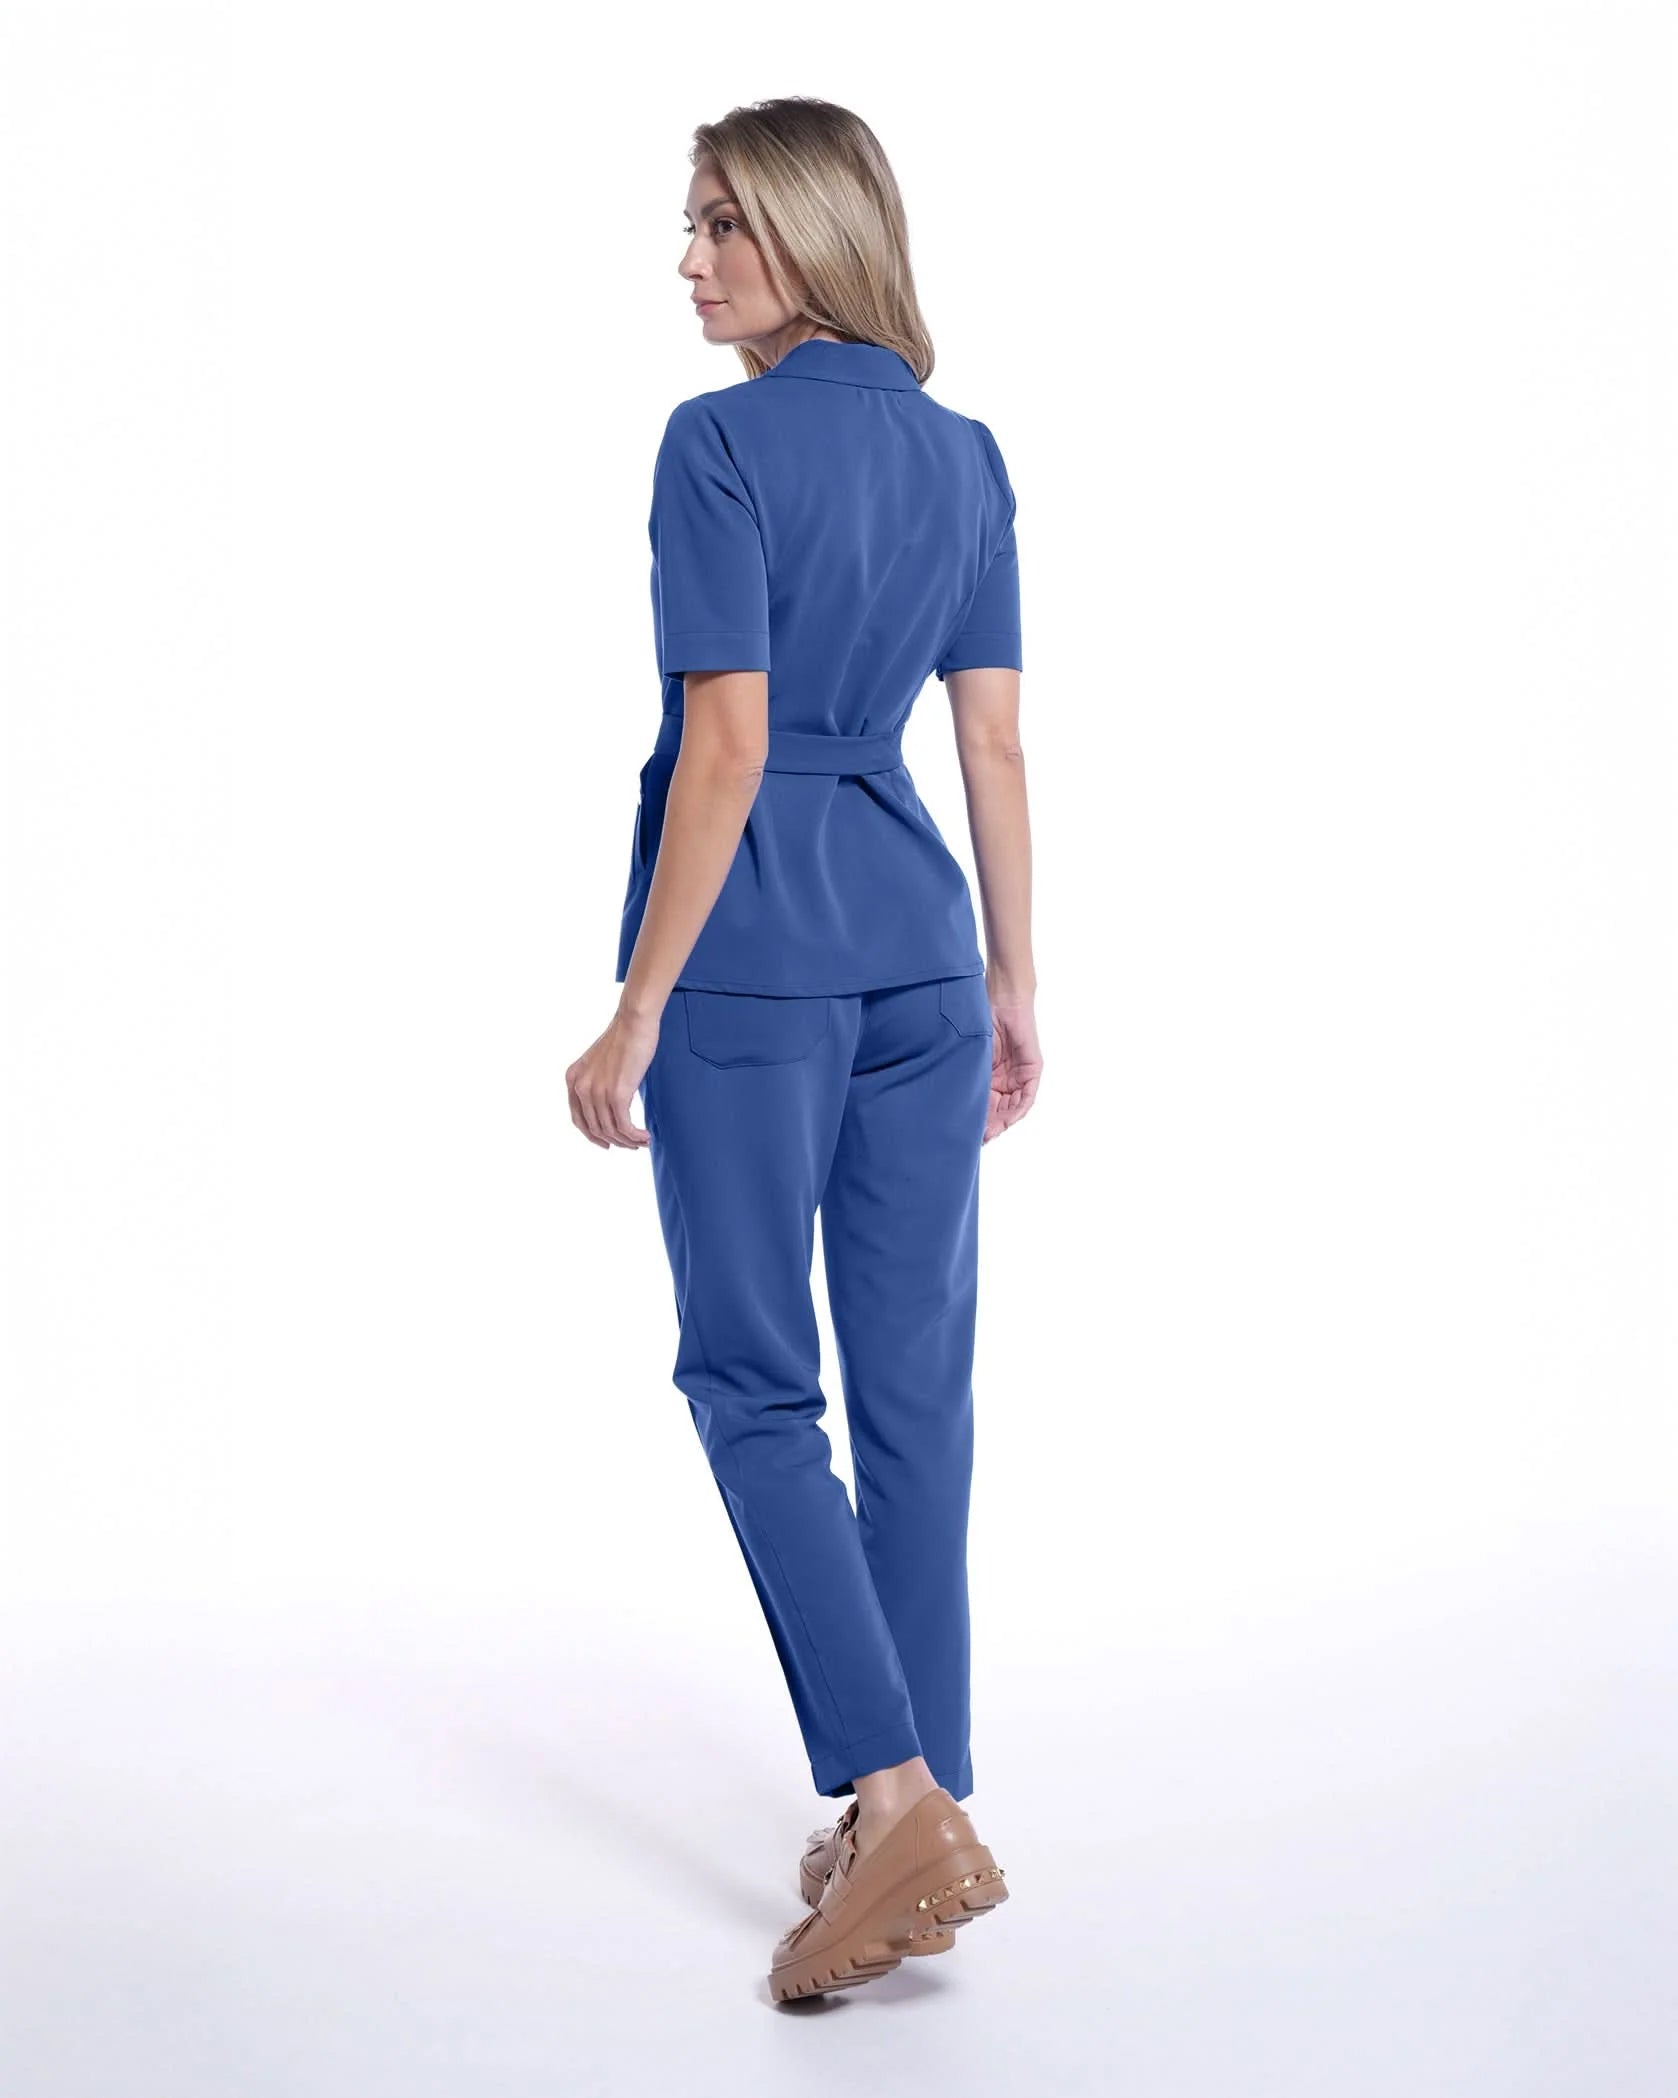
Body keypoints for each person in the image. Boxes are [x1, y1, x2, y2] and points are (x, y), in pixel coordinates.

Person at [565, 96, 1042, 2003]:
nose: (690, 261)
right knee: (916, 1392)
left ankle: (895, 1797)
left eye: (722, 224)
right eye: (692, 226)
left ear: (813, 234)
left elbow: (731, 742)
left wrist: (637, 1002)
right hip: (922, 957)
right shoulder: (965, 453)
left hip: (755, 966)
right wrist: (1014, 978)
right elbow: (989, 738)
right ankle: (927, 1799)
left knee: (754, 1383)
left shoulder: (716, 443)